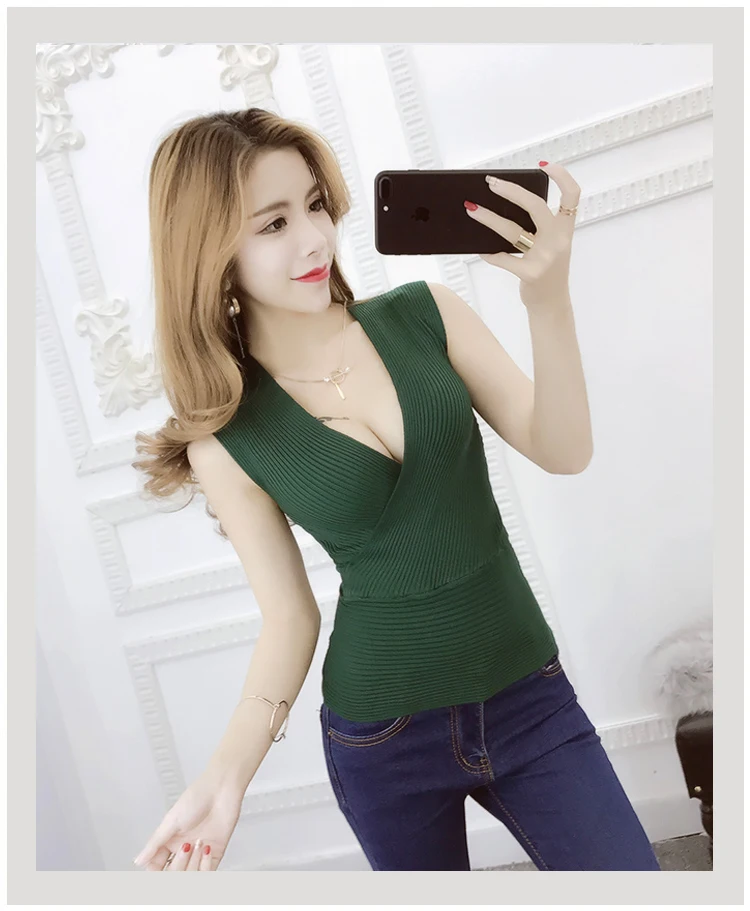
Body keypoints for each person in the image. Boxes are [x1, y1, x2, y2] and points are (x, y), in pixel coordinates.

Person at [131, 108, 661, 872]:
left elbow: (564, 449)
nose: (315, 238)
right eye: (273, 224)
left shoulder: (427, 315)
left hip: (530, 697)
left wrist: (547, 298)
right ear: (209, 254)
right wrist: (223, 780)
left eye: (316, 204)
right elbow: (289, 618)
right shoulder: (226, 440)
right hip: (384, 738)